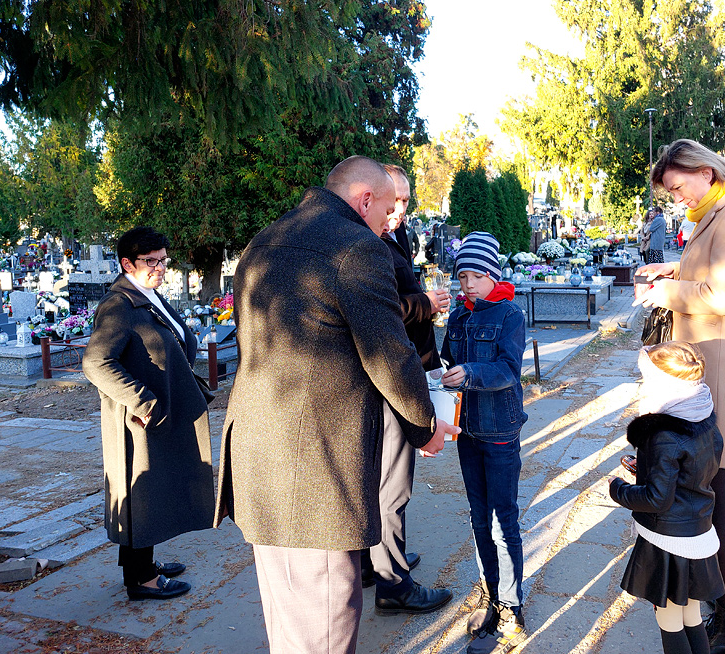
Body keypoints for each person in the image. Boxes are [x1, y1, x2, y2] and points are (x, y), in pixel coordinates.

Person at [214, 156, 459, 654]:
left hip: (260, 458)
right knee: (325, 623)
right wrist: (425, 426)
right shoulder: (356, 248)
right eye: (388, 208)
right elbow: (388, 353)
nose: (390, 222)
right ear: (364, 199)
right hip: (315, 467)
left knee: (289, 619)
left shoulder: (264, 241)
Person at [634, 139, 725, 654]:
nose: (677, 198)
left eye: (677, 186)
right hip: (724, 360)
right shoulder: (723, 210)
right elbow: (711, 275)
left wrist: (662, 292)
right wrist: (677, 270)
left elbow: (724, 295)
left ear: (704, 170)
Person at [83, 227, 214, 601]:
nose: (160, 267)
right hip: (140, 420)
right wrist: (144, 402)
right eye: (151, 261)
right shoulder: (119, 305)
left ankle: (141, 566)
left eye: (163, 260)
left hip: (160, 412)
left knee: (154, 494)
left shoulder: (146, 295)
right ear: (127, 263)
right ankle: (141, 580)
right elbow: (95, 363)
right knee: (143, 495)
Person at [362, 164, 454, 615]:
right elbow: (380, 312)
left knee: (384, 484)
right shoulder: (369, 245)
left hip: (409, 364)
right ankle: (392, 582)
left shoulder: (392, 237)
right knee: (391, 486)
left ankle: (380, 561)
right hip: (391, 377)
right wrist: (425, 304)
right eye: (392, 201)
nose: (399, 211)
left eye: (405, 201)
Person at [440, 231, 528, 654]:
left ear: (493, 274)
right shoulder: (458, 316)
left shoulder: (510, 314)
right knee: (478, 517)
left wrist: (471, 373)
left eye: (476, 275)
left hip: (500, 431)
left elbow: (510, 368)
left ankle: (512, 604)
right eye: (462, 276)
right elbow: (444, 360)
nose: (468, 284)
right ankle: (490, 593)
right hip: (467, 432)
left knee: (502, 520)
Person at [610, 342, 724, 654]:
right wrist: (645, 469)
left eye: (648, 378)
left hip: (667, 538)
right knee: (690, 613)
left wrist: (619, 489)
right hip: (697, 529)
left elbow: (657, 499)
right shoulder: (702, 414)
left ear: (664, 383)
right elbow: (691, 470)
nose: (644, 385)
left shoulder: (663, 434)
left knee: (670, 617)